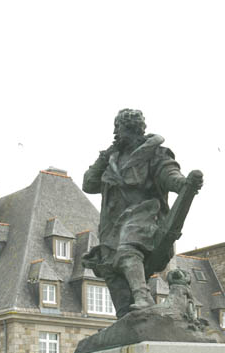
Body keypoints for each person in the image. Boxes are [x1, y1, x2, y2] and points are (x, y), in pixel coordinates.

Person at [82, 109, 203, 318]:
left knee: (127, 248)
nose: (115, 133)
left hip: (145, 218)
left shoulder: (155, 154)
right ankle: (128, 322)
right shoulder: (113, 159)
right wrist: (106, 155)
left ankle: (143, 296)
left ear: (130, 129)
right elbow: (89, 183)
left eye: (118, 128)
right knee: (114, 278)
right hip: (112, 227)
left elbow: (170, 175)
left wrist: (184, 184)